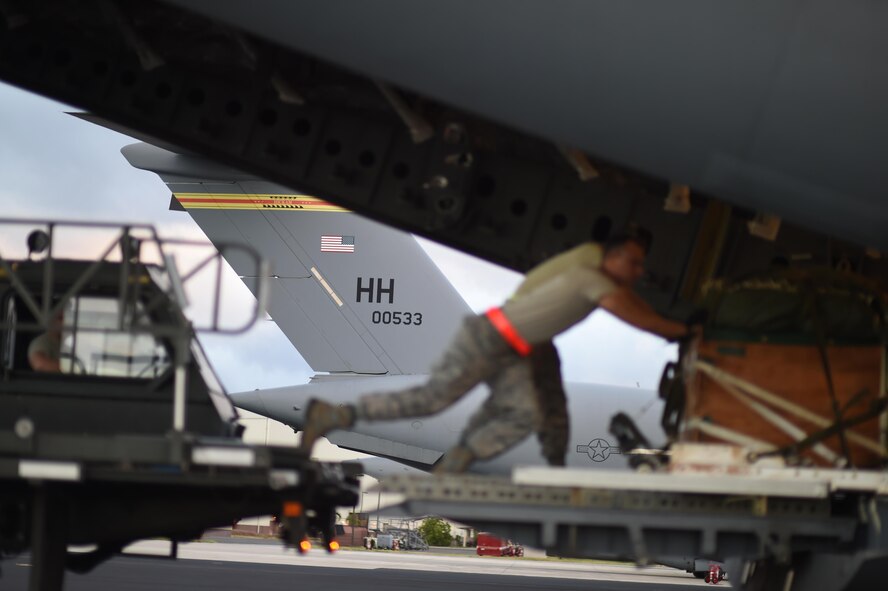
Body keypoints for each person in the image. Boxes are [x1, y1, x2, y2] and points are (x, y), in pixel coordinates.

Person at [299, 231, 689, 472]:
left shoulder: (583, 268)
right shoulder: (591, 278)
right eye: (634, 263)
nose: (638, 272)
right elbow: (641, 317)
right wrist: (688, 329)